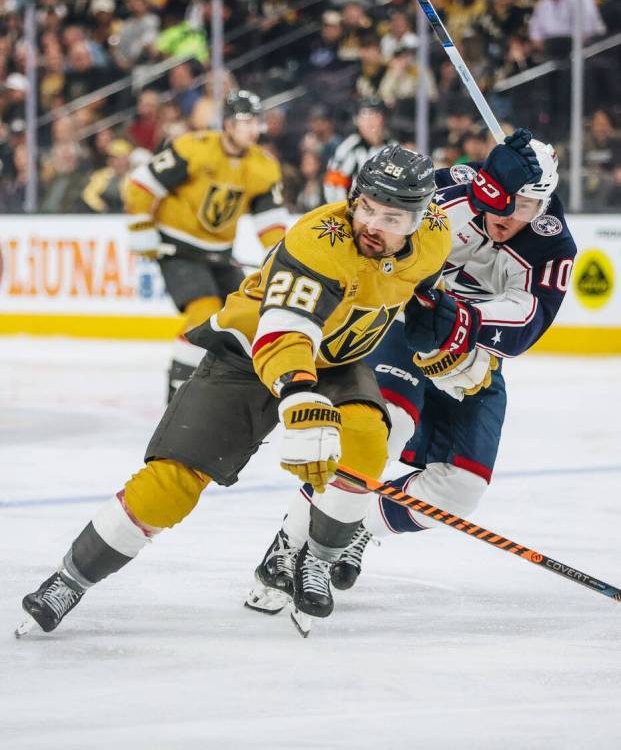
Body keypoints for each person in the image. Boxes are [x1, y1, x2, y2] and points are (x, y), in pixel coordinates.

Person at [17, 144, 457, 638]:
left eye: (391, 217)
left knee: (366, 441)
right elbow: (284, 331)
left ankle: (314, 559)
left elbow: (434, 266)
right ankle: (69, 579)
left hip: (336, 360)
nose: (371, 224)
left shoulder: (438, 236)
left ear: (419, 220)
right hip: (251, 353)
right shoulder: (320, 238)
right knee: (173, 481)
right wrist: (297, 395)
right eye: (367, 207)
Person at [246, 131, 575, 630]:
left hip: (468, 358)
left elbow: (528, 321)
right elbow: (373, 224)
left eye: (528, 205)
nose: (512, 216)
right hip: (398, 326)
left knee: (462, 487)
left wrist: (458, 318)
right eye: (509, 200)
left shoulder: (552, 245)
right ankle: (293, 546)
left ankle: (353, 528)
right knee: (386, 427)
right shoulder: (456, 191)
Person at [124, 89, 288, 400]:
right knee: (203, 314)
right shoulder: (193, 148)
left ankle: (224, 387)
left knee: (244, 315)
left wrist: (282, 255)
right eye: (245, 122)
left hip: (219, 254)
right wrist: (142, 227)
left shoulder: (264, 166)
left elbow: (270, 222)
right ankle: (180, 392)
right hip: (178, 248)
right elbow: (141, 184)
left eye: (257, 122)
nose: (253, 129)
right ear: (227, 124)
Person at [323, 97, 392, 203]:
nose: (370, 121)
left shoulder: (394, 147)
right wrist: (343, 211)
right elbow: (333, 184)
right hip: (355, 211)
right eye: (365, 116)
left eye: (375, 114)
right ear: (357, 120)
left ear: (384, 118)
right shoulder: (348, 148)